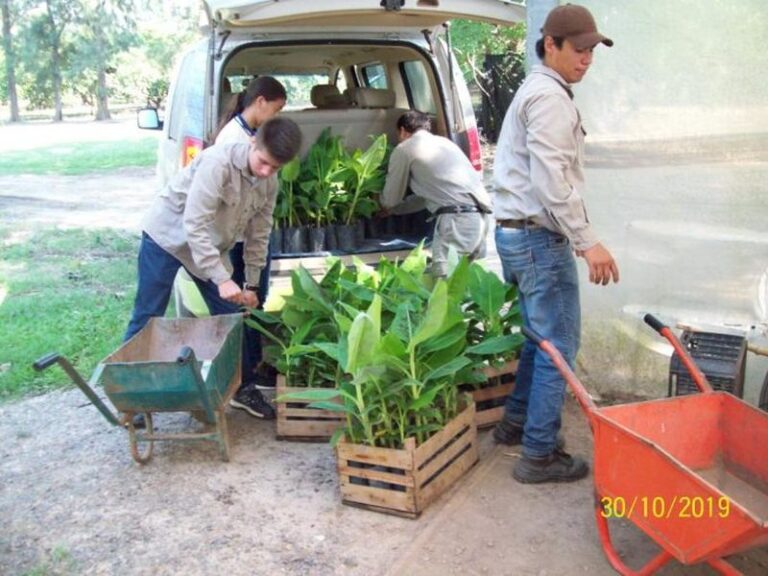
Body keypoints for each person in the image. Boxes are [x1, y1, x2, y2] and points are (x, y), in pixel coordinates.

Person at [492, 4, 620, 483]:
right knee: (559, 346)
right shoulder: (548, 98)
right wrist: (588, 243)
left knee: (539, 338)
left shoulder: (541, 90)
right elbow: (551, 183)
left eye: (592, 50)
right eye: (580, 49)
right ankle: (539, 455)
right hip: (537, 238)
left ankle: (515, 424)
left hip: (518, 233)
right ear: (551, 45)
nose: (587, 58)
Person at [123, 117, 302, 420]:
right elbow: (194, 226)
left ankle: (243, 388)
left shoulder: (268, 181)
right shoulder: (217, 164)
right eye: (263, 162)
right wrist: (221, 278)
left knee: (234, 315)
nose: (266, 172)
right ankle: (132, 397)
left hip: (208, 246)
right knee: (148, 313)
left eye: (275, 168)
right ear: (252, 143)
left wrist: (252, 285)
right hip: (167, 237)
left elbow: (260, 234)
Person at [213, 76, 287, 390]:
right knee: (242, 307)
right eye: (277, 108)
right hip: (237, 239)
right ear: (260, 102)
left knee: (254, 301)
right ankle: (244, 378)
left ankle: (255, 367)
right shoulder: (233, 139)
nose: (277, 115)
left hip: (249, 237)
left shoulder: (250, 133)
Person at [379, 110, 493, 277]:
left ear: (402, 130)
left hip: (456, 221)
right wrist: (396, 210)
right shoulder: (445, 143)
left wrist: (381, 205)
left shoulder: (404, 149)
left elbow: (390, 199)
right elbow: (426, 198)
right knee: (471, 286)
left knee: (446, 287)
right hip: (480, 220)